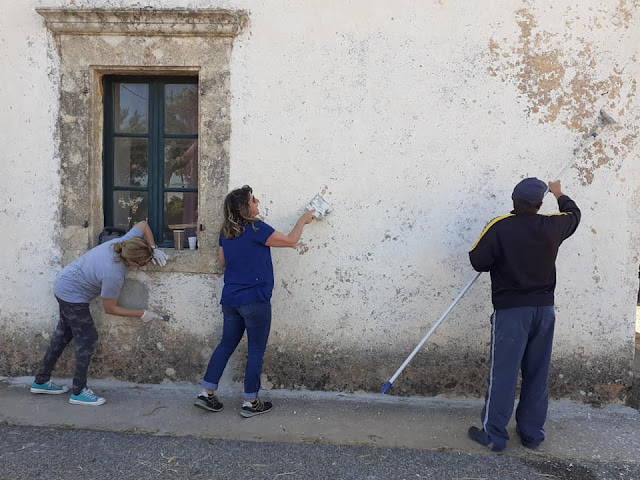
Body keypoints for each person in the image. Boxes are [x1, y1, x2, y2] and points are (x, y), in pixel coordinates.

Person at [467, 178, 580, 451]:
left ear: (513, 200)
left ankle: (494, 435)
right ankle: (531, 434)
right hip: (545, 312)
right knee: (537, 373)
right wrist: (559, 192)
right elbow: (574, 215)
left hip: (511, 313)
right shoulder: (553, 225)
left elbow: (477, 261)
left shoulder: (500, 226)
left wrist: (500, 255)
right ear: (540, 204)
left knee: (503, 374)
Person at [194, 185, 315, 418]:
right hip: (255, 299)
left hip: (231, 298)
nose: (257, 202)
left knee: (225, 345)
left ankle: (206, 393)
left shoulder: (226, 232)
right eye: (253, 200)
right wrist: (303, 220)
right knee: (256, 350)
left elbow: (222, 262)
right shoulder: (257, 228)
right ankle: (250, 402)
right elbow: (291, 241)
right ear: (244, 207)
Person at [31, 221, 168, 406]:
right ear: (132, 262)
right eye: (142, 264)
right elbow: (110, 308)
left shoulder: (125, 242)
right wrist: (141, 313)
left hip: (65, 282)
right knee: (87, 338)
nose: (144, 266)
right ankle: (78, 392)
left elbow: (143, 224)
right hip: (72, 294)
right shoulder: (114, 273)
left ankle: (41, 381)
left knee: (63, 334)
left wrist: (153, 248)